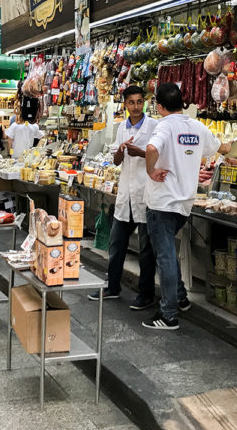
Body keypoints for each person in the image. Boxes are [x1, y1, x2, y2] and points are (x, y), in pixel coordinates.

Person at [143, 83, 230, 330]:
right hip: (184, 203)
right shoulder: (197, 126)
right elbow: (220, 147)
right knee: (168, 251)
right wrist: (232, 146)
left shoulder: (164, 126)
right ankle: (180, 298)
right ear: (183, 102)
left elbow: (151, 148)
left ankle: (168, 314)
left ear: (159, 106)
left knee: (166, 257)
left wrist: (151, 170)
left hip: (162, 203)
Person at [88, 85, 158, 309]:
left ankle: (146, 294)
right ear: (125, 104)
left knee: (146, 250)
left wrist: (141, 152)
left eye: (139, 102)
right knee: (116, 244)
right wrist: (121, 151)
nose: (136, 107)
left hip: (146, 194)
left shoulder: (154, 126)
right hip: (125, 195)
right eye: (131, 102)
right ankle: (113, 287)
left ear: (144, 103)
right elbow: (117, 161)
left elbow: (161, 156)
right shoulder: (121, 128)